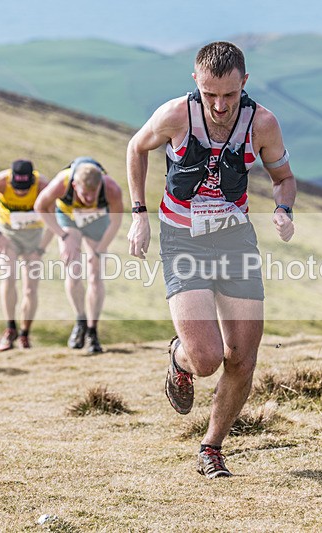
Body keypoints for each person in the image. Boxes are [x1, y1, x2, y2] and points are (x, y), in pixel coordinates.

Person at [126, 41, 296, 478]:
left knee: (241, 357)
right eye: (209, 95)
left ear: (244, 82)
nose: (220, 106)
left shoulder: (262, 123)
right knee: (206, 359)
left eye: (230, 95)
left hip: (235, 240)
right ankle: (179, 358)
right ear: (195, 83)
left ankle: (211, 448)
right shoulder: (176, 115)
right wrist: (139, 216)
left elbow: (284, 178)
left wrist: (283, 209)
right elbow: (136, 148)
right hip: (183, 240)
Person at [34, 157, 124, 354]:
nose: (89, 198)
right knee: (73, 270)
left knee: (95, 274)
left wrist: (100, 250)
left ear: (100, 184)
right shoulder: (62, 182)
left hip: (97, 219)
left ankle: (92, 330)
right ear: (75, 185)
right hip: (69, 217)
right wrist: (63, 235)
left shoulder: (111, 188)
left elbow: (116, 221)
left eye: (93, 193)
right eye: (84, 194)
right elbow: (40, 206)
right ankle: (80, 320)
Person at [0, 159, 52, 351]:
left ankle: (25, 334)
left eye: (25, 189)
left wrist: (40, 249)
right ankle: (10, 329)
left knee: (30, 289)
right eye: (17, 188)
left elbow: (56, 219)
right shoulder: (0, 182)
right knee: (8, 278)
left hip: (34, 236)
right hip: (7, 234)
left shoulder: (43, 186)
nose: (20, 192)